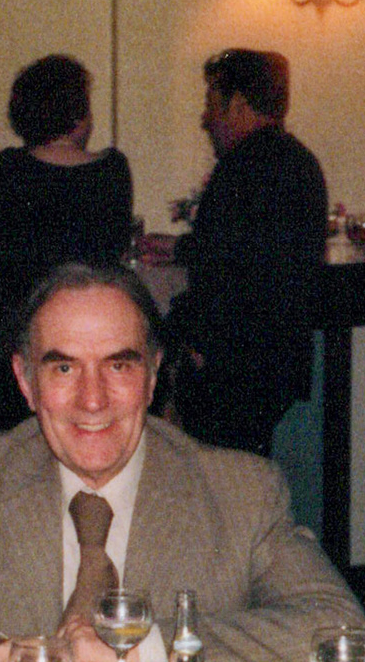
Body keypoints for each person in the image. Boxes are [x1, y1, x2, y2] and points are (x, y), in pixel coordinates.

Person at [0, 262, 361, 662]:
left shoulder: (239, 489)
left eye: (119, 366)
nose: (92, 400)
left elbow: (336, 624)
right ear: (25, 381)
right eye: (64, 368)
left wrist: (141, 647)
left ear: (152, 376)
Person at [138, 49, 329, 456]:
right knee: (247, 474)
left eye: (212, 104)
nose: (205, 118)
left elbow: (224, 271)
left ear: (239, 106)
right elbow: (259, 252)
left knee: (210, 477)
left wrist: (191, 344)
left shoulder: (239, 169)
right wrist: (182, 247)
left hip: (230, 366)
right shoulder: (303, 164)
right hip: (278, 364)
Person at [0, 54, 135, 435]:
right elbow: (118, 247)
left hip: (24, 342)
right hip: (92, 343)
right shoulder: (112, 171)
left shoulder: (8, 168)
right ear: (79, 112)